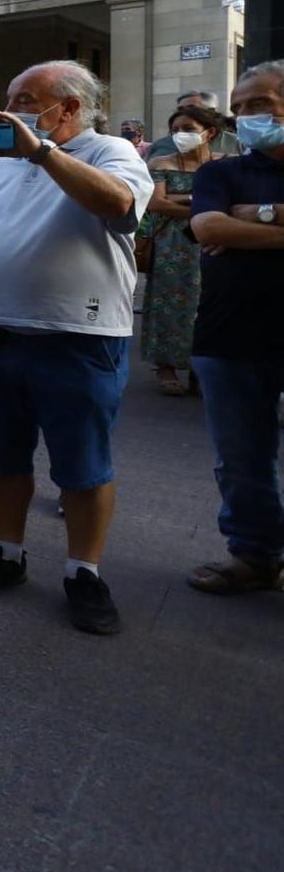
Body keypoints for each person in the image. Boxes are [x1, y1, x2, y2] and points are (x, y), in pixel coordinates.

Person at [0, 60, 153, 635]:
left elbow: (118, 205)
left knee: (82, 466)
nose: (9, 109)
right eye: (10, 97)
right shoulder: (1, 168)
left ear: (67, 108)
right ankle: (6, 553)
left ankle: (83, 572)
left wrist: (40, 152)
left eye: (25, 98)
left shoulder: (111, 151)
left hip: (78, 338)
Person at [185, 59, 284, 594]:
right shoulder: (220, 173)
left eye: (261, 104)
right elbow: (207, 226)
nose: (246, 116)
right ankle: (256, 554)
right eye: (240, 107)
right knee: (243, 459)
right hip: (230, 336)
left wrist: (256, 217)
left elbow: (230, 226)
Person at [139, 104, 223, 394]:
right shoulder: (160, 163)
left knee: (209, 305)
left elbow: (231, 202)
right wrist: (206, 209)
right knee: (169, 302)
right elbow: (155, 203)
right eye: (175, 130)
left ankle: (201, 366)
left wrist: (182, 200)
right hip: (172, 245)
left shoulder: (222, 164)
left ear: (209, 132)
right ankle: (166, 365)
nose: (180, 135)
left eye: (188, 129)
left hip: (215, 244)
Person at [149, 89, 243, 158]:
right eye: (180, 109)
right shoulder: (160, 146)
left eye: (191, 108)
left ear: (212, 111)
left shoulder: (237, 144)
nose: (185, 113)